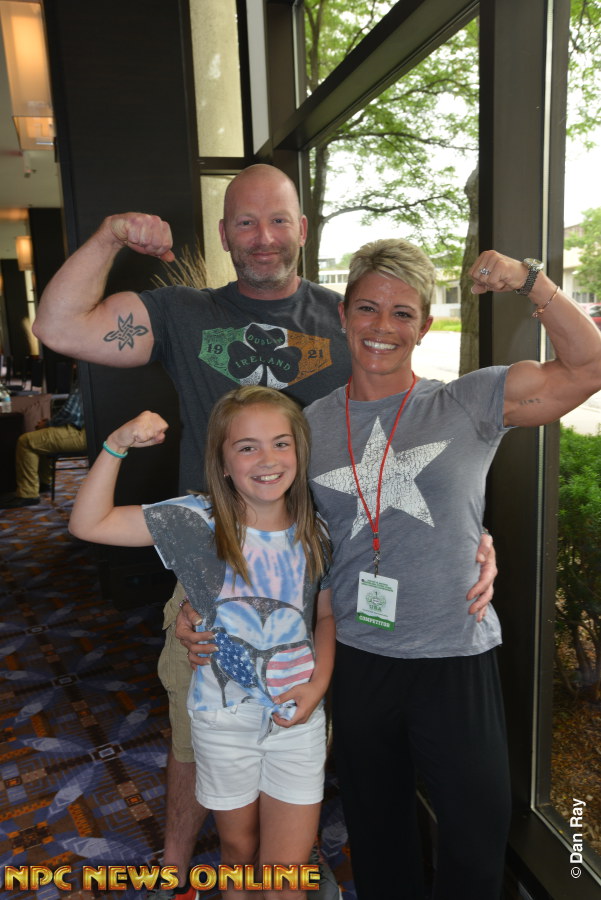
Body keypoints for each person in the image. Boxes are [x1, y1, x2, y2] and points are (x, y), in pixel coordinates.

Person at [32, 165, 496, 898]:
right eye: (245, 222)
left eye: (278, 220)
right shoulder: (181, 312)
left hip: (322, 570)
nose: (263, 237)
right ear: (224, 234)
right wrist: (110, 236)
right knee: (201, 727)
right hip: (212, 562)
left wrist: (469, 534)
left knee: (305, 736)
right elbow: (57, 327)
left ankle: (285, 856)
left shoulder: (351, 318)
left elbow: (413, 431)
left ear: (301, 230)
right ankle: (178, 864)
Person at [298, 239, 601, 899]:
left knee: (474, 839)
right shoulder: (308, 425)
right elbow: (276, 536)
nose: (383, 326)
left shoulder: (468, 402)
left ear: (424, 326)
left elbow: (588, 366)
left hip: (454, 656)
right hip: (359, 655)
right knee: (378, 835)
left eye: (402, 313)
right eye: (368, 308)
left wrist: (530, 280)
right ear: (343, 315)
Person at [68, 386, 335, 900]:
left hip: (297, 716)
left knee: (286, 869)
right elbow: (88, 522)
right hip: (222, 719)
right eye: (247, 447)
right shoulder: (197, 520)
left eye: (281, 443)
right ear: (223, 461)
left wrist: (318, 685)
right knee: (238, 849)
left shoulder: (316, 528)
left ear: (300, 450)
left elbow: (324, 613)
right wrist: (117, 444)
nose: (267, 459)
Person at [0, 386, 86, 509]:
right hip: (92, 432)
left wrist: (48, 423)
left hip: (83, 434)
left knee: (26, 441)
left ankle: (28, 494)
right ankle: (44, 482)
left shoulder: (84, 378)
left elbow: (69, 413)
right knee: (40, 438)